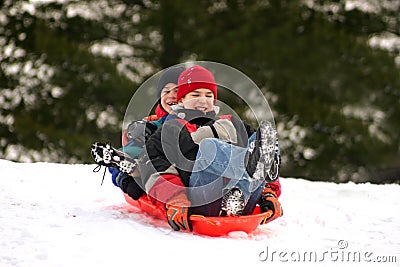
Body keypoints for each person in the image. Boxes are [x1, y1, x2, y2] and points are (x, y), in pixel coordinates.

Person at [138, 65, 282, 231]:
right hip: (203, 201)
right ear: (181, 100)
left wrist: (268, 194)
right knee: (210, 146)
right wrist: (175, 199)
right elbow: (154, 168)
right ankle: (248, 164)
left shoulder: (232, 123)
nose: (203, 99)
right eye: (195, 94)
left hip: (243, 199)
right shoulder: (171, 129)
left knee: (261, 138)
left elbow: (260, 148)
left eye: (208, 95)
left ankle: (242, 188)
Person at [105, 66, 185, 200]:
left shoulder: (194, 117)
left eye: (177, 91)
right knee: (134, 150)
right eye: (166, 91)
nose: (171, 95)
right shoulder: (157, 121)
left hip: (177, 167)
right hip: (156, 167)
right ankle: (127, 177)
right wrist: (137, 130)